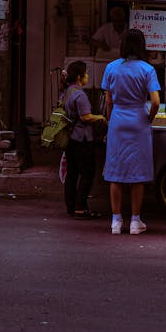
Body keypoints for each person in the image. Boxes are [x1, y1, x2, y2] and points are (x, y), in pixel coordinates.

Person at [101, 28, 160, 235]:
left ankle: (116, 221)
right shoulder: (147, 69)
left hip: (117, 119)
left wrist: (111, 121)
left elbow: (108, 100)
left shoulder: (111, 68)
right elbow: (155, 101)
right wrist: (148, 118)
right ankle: (135, 221)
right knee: (138, 172)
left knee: (115, 171)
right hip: (138, 120)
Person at [61, 60, 108, 219]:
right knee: (87, 173)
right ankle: (81, 208)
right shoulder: (80, 94)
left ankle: (71, 206)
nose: (87, 76)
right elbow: (85, 116)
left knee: (72, 173)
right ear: (80, 76)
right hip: (82, 139)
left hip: (71, 138)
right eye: (86, 73)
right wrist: (100, 117)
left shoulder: (67, 91)